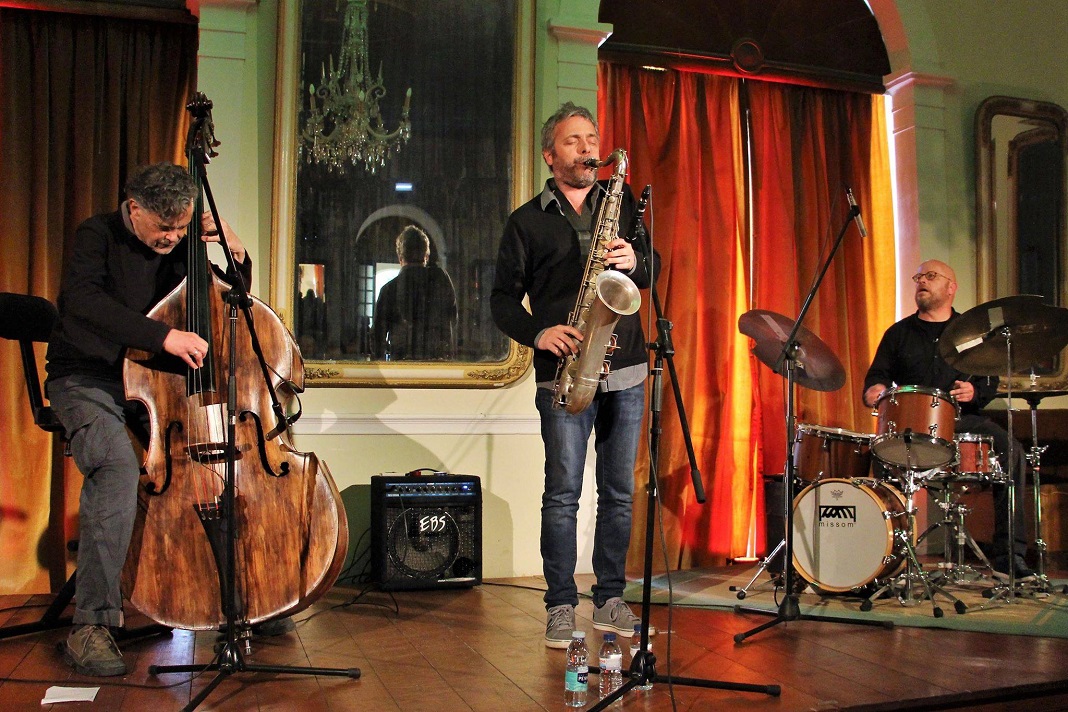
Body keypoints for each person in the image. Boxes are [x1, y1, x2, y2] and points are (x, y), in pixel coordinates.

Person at [44, 162, 253, 676]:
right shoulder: (97, 234)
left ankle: (240, 599)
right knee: (116, 467)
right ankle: (92, 625)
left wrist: (235, 251)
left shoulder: (184, 244)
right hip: (87, 378)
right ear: (133, 208)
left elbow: (233, 299)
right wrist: (162, 337)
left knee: (217, 461)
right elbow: (84, 303)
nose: (174, 237)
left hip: (157, 384)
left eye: (182, 228)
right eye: (164, 226)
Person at [491, 102, 657, 648]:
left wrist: (637, 261)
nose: (589, 149)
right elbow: (500, 300)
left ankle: (611, 598)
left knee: (618, 495)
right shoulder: (526, 220)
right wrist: (538, 333)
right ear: (550, 154)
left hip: (626, 368)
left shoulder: (622, 200)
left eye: (592, 139)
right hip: (563, 374)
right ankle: (561, 603)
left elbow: (653, 270)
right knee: (562, 495)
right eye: (573, 141)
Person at [863, 259, 1033, 582]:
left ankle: (1009, 557)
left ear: (951, 288)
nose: (921, 282)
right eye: (919, 277)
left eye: (930, 276)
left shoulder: (971, 333)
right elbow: (877, 377)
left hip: (961, 424)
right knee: (881, 455)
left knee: (1011, 452)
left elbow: (989, 380)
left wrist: (975, 390)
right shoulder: (897, 334)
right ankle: (888, 556)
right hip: (909, 429)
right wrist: (875, 389)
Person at [373, 225, 458, 360]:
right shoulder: (441, 280)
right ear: (426, 256)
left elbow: (378, 339)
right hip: (438, 365)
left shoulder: (388, 289)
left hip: (401, 368)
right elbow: (452, 320)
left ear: (400, 257)